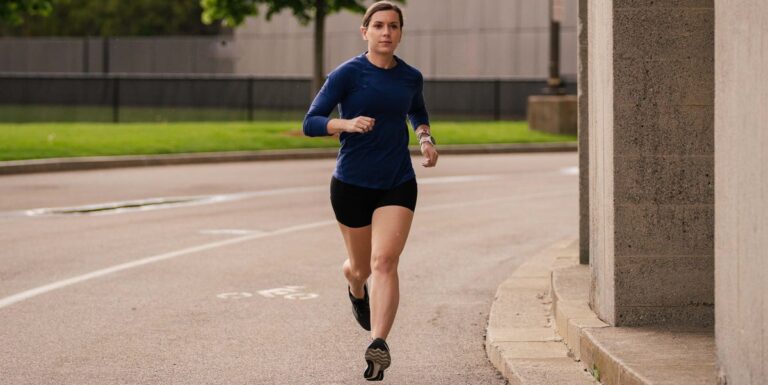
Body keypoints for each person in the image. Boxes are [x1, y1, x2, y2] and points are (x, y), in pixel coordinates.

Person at [302, 1, 438, 381]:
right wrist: (344, 124)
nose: (386, 32)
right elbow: (310, 122)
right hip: (351, 184)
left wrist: (425, 138)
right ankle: (355, 286)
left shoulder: (410, 77)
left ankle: (378, 343)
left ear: (400, 33)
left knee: (385, 262)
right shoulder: (347, 74)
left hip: (397, 181)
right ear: (365, 31)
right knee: (361, 267)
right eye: (378, 25)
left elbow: (417, 111)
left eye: (393, 26)